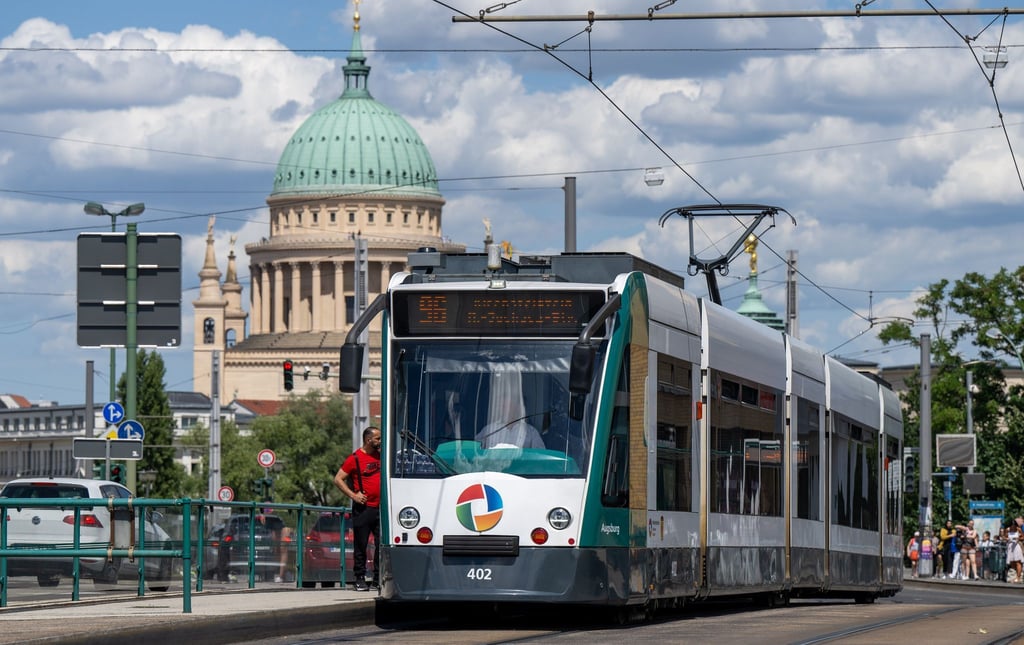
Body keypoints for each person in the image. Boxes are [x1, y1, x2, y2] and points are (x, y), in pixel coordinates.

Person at [334, 426, 382, 591]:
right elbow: (338, 479)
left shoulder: (381, 455)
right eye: (377, 439)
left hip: (380, 508)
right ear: (368, 440)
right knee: (360, 545)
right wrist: (353, 495)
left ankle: (377, 578)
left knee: (381, 544)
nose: (380, 442)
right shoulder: (354, 458)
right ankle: (359, 578)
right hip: (363, 508)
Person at [476, 370, 544, 449]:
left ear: (518, 407)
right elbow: (474, 451)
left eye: (507, 405)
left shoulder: (531, 432)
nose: (503, 408)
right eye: (502, 406)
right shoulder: (489, 430)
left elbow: (540, 457)